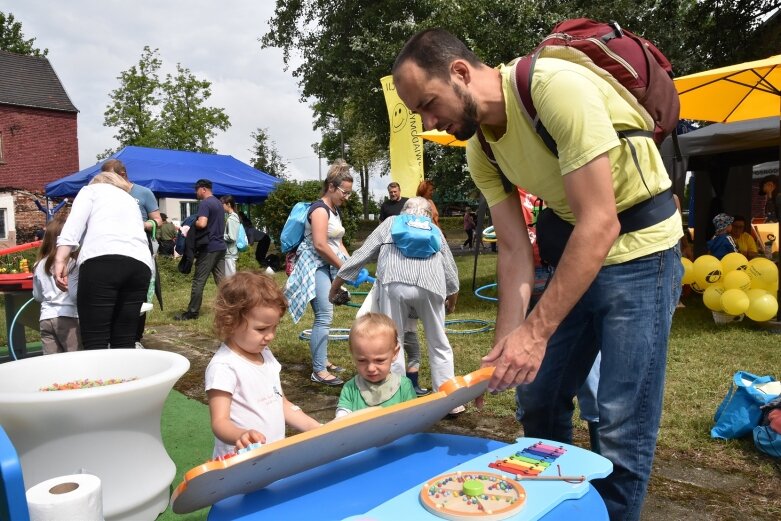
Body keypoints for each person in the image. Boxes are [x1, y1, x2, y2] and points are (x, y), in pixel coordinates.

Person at [393, 29, 683, 520]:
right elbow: (512, 248)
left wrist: (537, 330)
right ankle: (559, 506)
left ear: (460, 72)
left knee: (619, 424)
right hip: (581, 254)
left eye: (427, 103)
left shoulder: (553, 87)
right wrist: (506, 348)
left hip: (642, 254)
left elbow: (601, 221)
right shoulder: (479, 149)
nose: (428, 120)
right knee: (539, 397)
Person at [329, 197, 461, 413]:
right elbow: (450, 271)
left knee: (394, 339)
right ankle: (449, 401)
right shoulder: (434, 230)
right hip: (432, 285)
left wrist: (337, 284)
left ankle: (395, 400)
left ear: (404, 212)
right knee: (438, 342)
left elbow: (363, 253)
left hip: (394, 282)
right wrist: (451, 300)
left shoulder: (391, 223)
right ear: (428, 214)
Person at [206, 271, 322, 458]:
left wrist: (315, 428)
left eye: (274, 327)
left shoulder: (265, 354)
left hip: (270, 455)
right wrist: (241, 435)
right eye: (261, 329)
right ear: (231, 322)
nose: (270, 336)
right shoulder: (224, 366)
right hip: (239, 460)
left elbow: (281, 403)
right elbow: (220, 422)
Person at [53, 172, 153, 349]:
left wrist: (60, 258)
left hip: (102, 260)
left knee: (95, 338)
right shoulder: (130, 199)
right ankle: (124, 376)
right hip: (140, 264)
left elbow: (73, 225)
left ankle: (99, 376)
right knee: (125, 338)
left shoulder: (90, 191)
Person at [284, 159, 353, 386]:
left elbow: (338, 242)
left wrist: (351, 264)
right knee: (324, 315)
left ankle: (322, 359)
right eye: (345, 192)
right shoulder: (319, 210)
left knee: (325, 315)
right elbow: (320, 245)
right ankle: (318, 370)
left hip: (327, 266)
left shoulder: (333, 210)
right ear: (331, 187)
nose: (347, 197)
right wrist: (344, 268)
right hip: (313, 266)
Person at [101, 159, 162, 349]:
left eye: (109, 179)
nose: (106, 184)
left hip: (139, 251)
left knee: (138, 295)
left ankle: (135, 337)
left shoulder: (143, 193)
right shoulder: (106, 195)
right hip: (112, 251)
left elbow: (158, 221)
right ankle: (113, 338)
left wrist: (142, 225)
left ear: (122, 174)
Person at [377, 182, 428, 395]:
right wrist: (450, 295)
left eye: (395, 190)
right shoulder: (427, 230)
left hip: (394, 286)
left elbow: (367, 251)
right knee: (408, 340)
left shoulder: (391, 225)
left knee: (398, 337)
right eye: (390, 191)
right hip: (417, 288)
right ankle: (408, 386)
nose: (393, 193)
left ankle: (401, 387)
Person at [335, 313, 417, 418]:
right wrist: (341, 417)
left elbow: (413, 417)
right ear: (353, 354)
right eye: (362, 360)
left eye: (379, 360)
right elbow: (341, 419)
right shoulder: (351, 388)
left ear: (394, 353)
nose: (371, 368)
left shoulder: (404, 386)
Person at [175, 179, 226, 320]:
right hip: (221, 246)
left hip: (208, 247)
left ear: (203, 189)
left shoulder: (205, 203)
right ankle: (232, 308)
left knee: (199, 280)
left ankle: (192, 312)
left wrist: (191, 224)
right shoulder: (218, 203)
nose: (195, 193)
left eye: (196, 190)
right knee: (222, 281)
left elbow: (202, 224)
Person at [32, 217, 81, 354]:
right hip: (69, 317)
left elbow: (37, 296)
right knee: (75, 360)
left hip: (46, 319)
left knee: (52, 363)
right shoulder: (72, 263)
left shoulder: (39, 264)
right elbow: (75, 294)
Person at [220, 195, 241, 278]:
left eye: (222, 204)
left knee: (231, 279)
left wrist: (220, 235)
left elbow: (232, 237)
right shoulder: (233, 217)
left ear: (228, 204)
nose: (221, 206)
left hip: (230, 252)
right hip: (231, 251)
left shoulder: (231, 218)